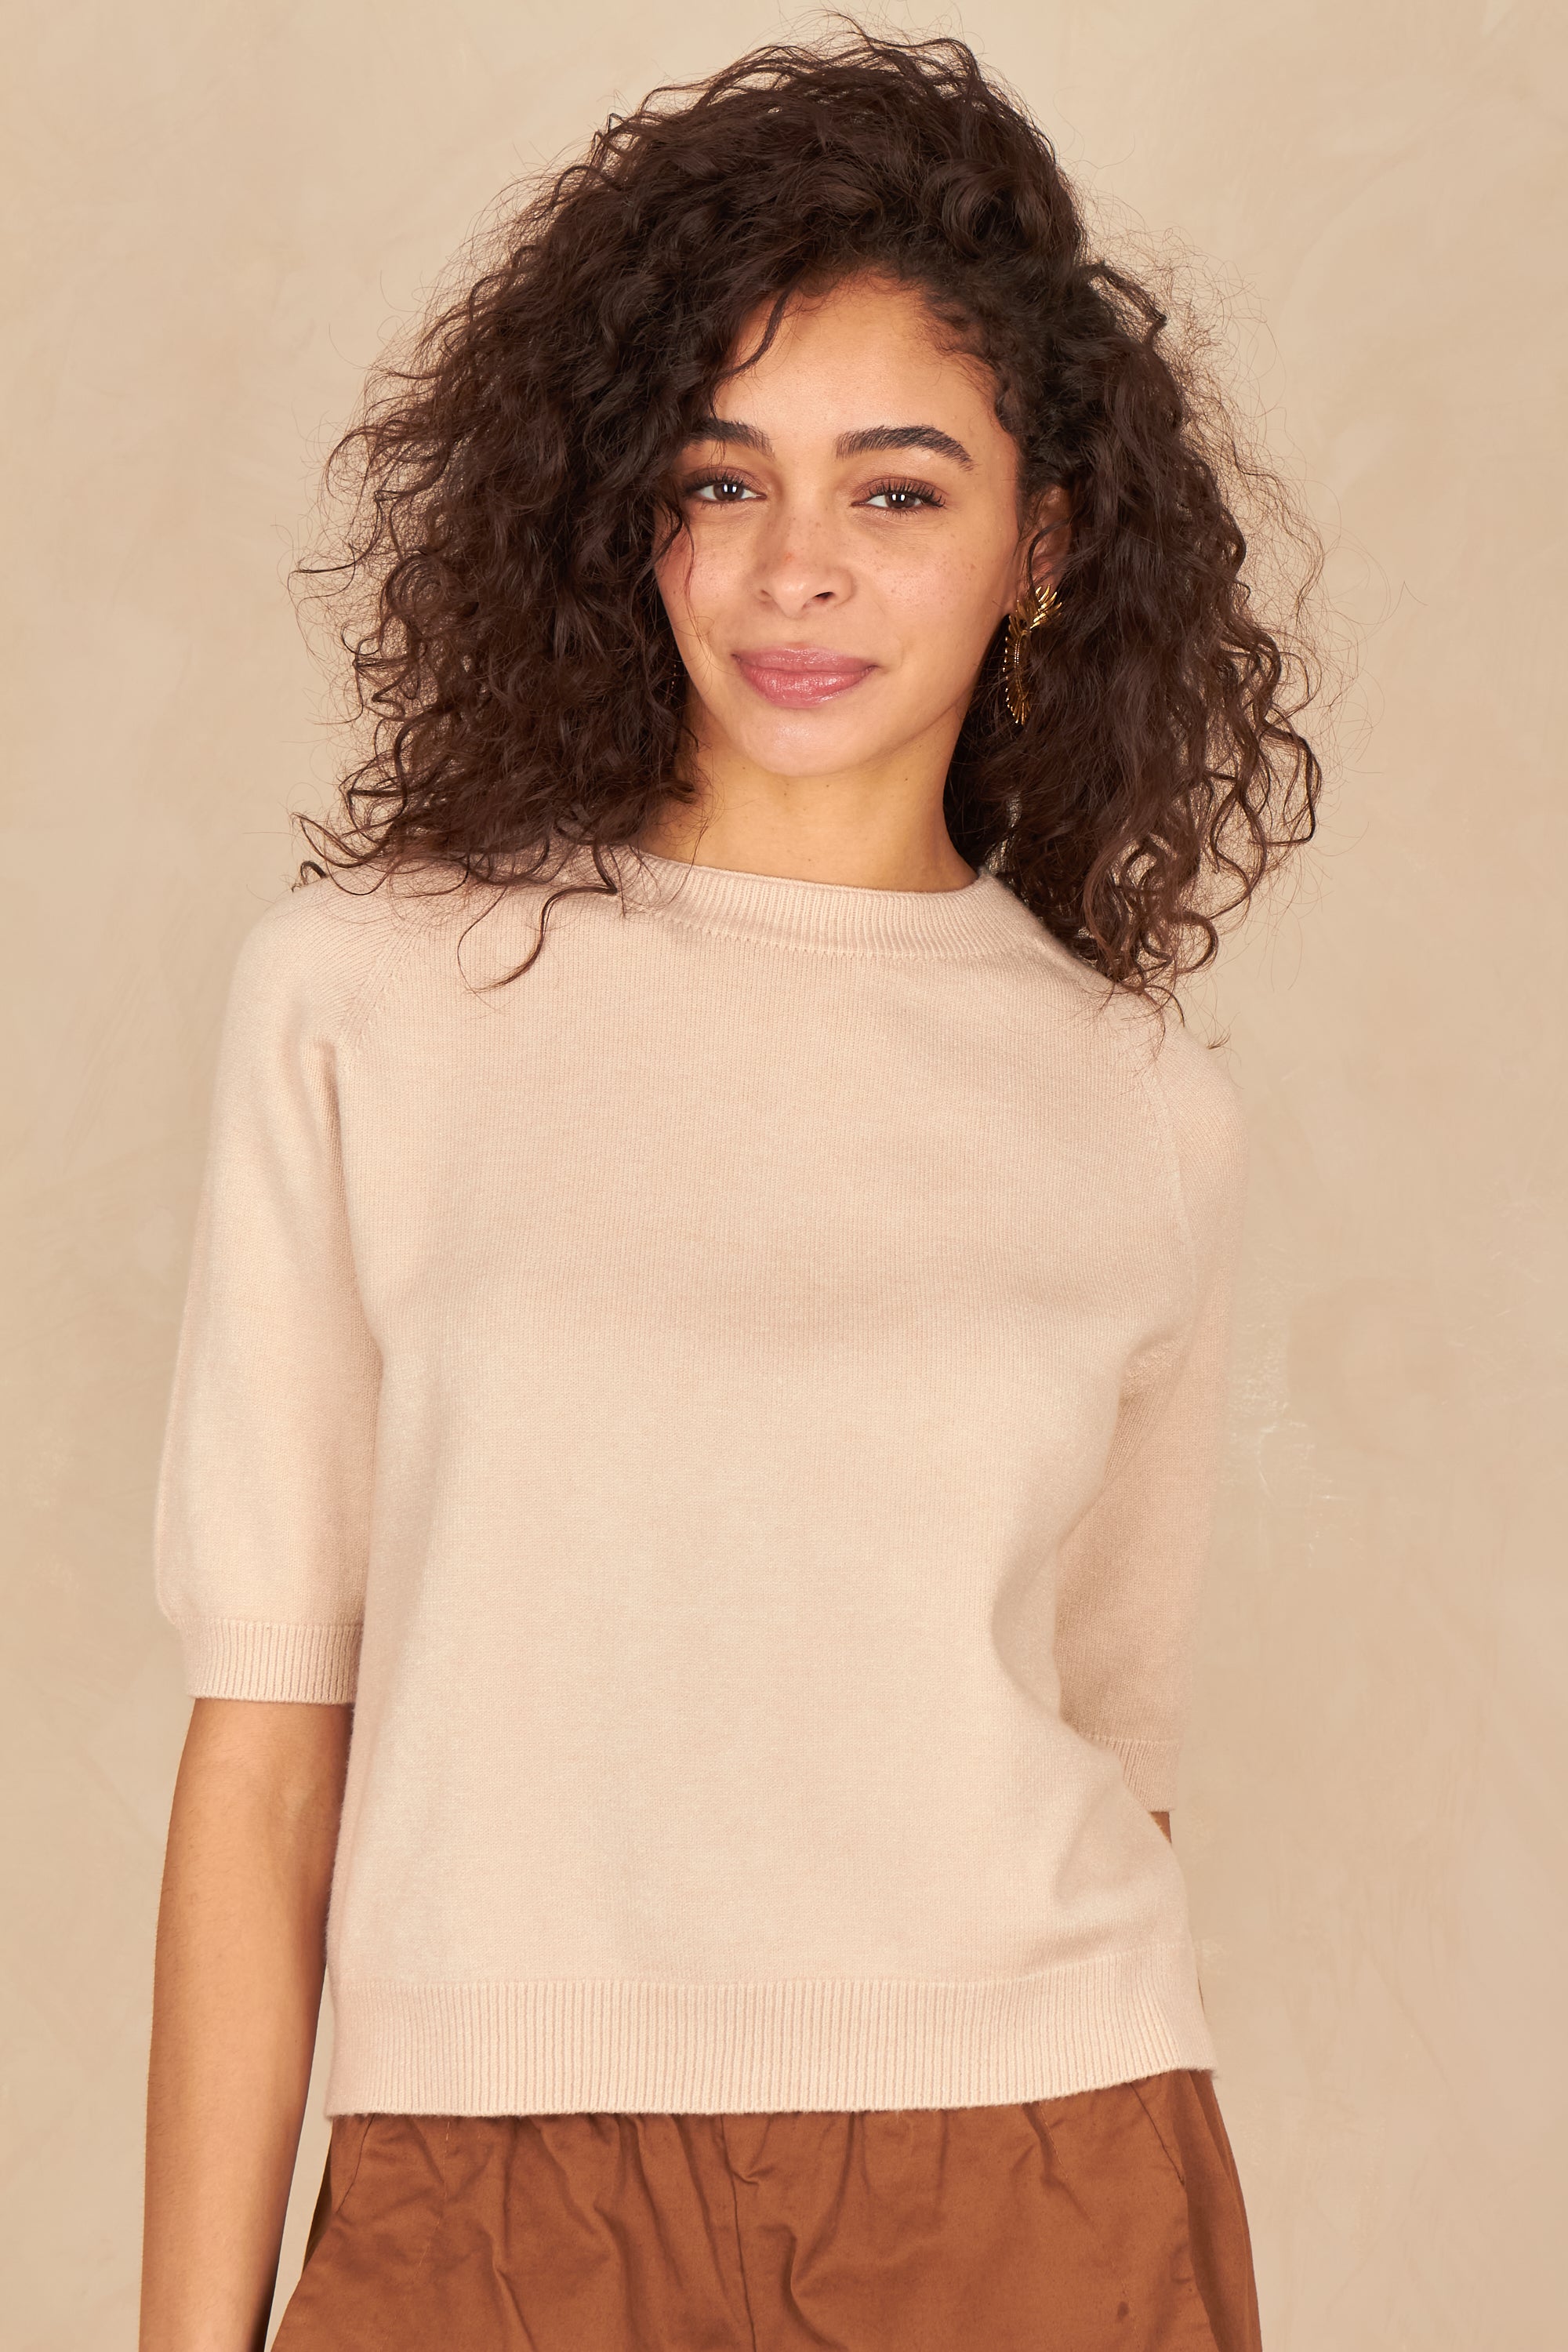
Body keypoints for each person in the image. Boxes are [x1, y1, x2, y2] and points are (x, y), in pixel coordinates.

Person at [140, 28, 1319, 2352]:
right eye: (720, 476)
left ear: (1043, 546)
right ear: (624, 510)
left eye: (900, 491)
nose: (798, 570)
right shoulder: (370, 1000)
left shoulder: (1137, 1104)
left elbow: (1114, 1746)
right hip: (487, 2184)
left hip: (1036, 2172)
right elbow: (265, 1754)